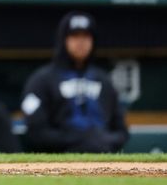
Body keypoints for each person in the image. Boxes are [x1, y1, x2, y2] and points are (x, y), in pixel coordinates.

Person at [21, 12, 129, 153]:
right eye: (74, 36)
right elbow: (35, 132)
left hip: (103, 156)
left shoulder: (104, 81)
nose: (81, 42)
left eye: (86, 36)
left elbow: (122, 132)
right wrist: (78, 139)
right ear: (63, 40)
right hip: (60, 160)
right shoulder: (41, 80)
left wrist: (101, 140)